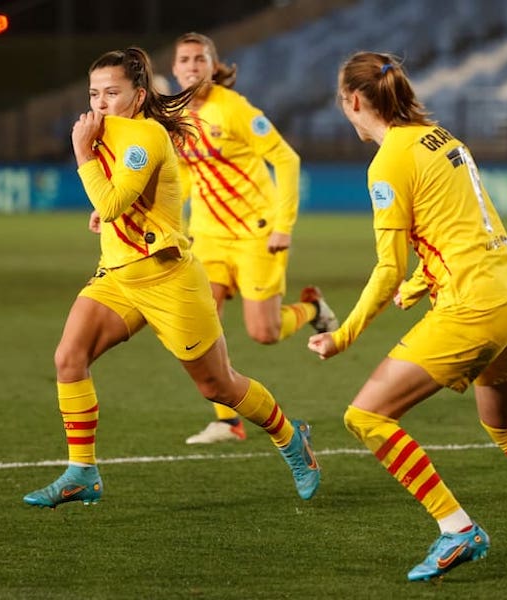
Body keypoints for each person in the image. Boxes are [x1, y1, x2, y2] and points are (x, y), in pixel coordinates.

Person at [307, 51, 507, 581]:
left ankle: (457, 528)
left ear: (354, 101)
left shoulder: (388, 161)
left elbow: (385, 267)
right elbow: (466, 224)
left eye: (343, 103)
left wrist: (343, 335)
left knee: (367, 417)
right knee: (506, 427)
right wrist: (423, 282)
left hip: (476, 305)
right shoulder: (441, 138)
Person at [23, 47, 320, 508]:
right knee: (69, 357)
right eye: (93, 93)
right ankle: (82, 471)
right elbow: (117, 201)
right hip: (119, 275)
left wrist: (84, 160)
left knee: (217, 385)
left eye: (112, 93)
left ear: (138, 96)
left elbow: (115, 200)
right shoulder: (110, 133)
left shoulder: (144, 136)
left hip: (167, 279)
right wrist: (104, 208)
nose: (99, 103)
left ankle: (290, 438)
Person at [171, 32, 339, 445]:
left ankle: (312, 307)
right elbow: (187, 173)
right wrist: (171, 219)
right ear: (174, 69)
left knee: (263, 333)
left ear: (213, 66)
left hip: (255, 234)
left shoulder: (236, 110)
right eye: (185, 59)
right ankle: (227, 421)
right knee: (199, 323)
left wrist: (285, 224)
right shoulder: (175, 115)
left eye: (199, 58)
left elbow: (286, 158)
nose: (192, 65)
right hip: (207, 236)